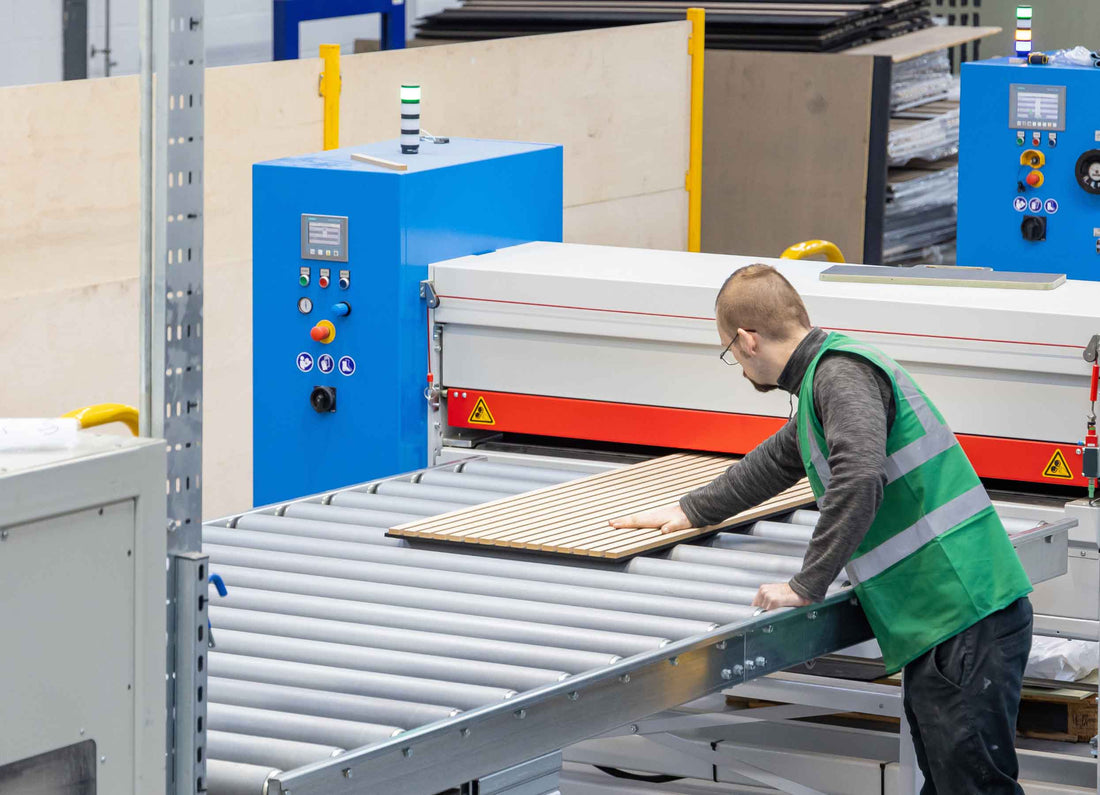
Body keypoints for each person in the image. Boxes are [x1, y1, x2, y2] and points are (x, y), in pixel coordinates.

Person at [609, 263, 1034, 795]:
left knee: (973, 790)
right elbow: (777, 459)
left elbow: (859, 475)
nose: (736, 364)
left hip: (964, 613)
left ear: (746, 340)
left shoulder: (839, 375)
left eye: (727, 351)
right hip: (946, 616)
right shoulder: (822, 380)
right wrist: (691, 511)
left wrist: (805, 584)